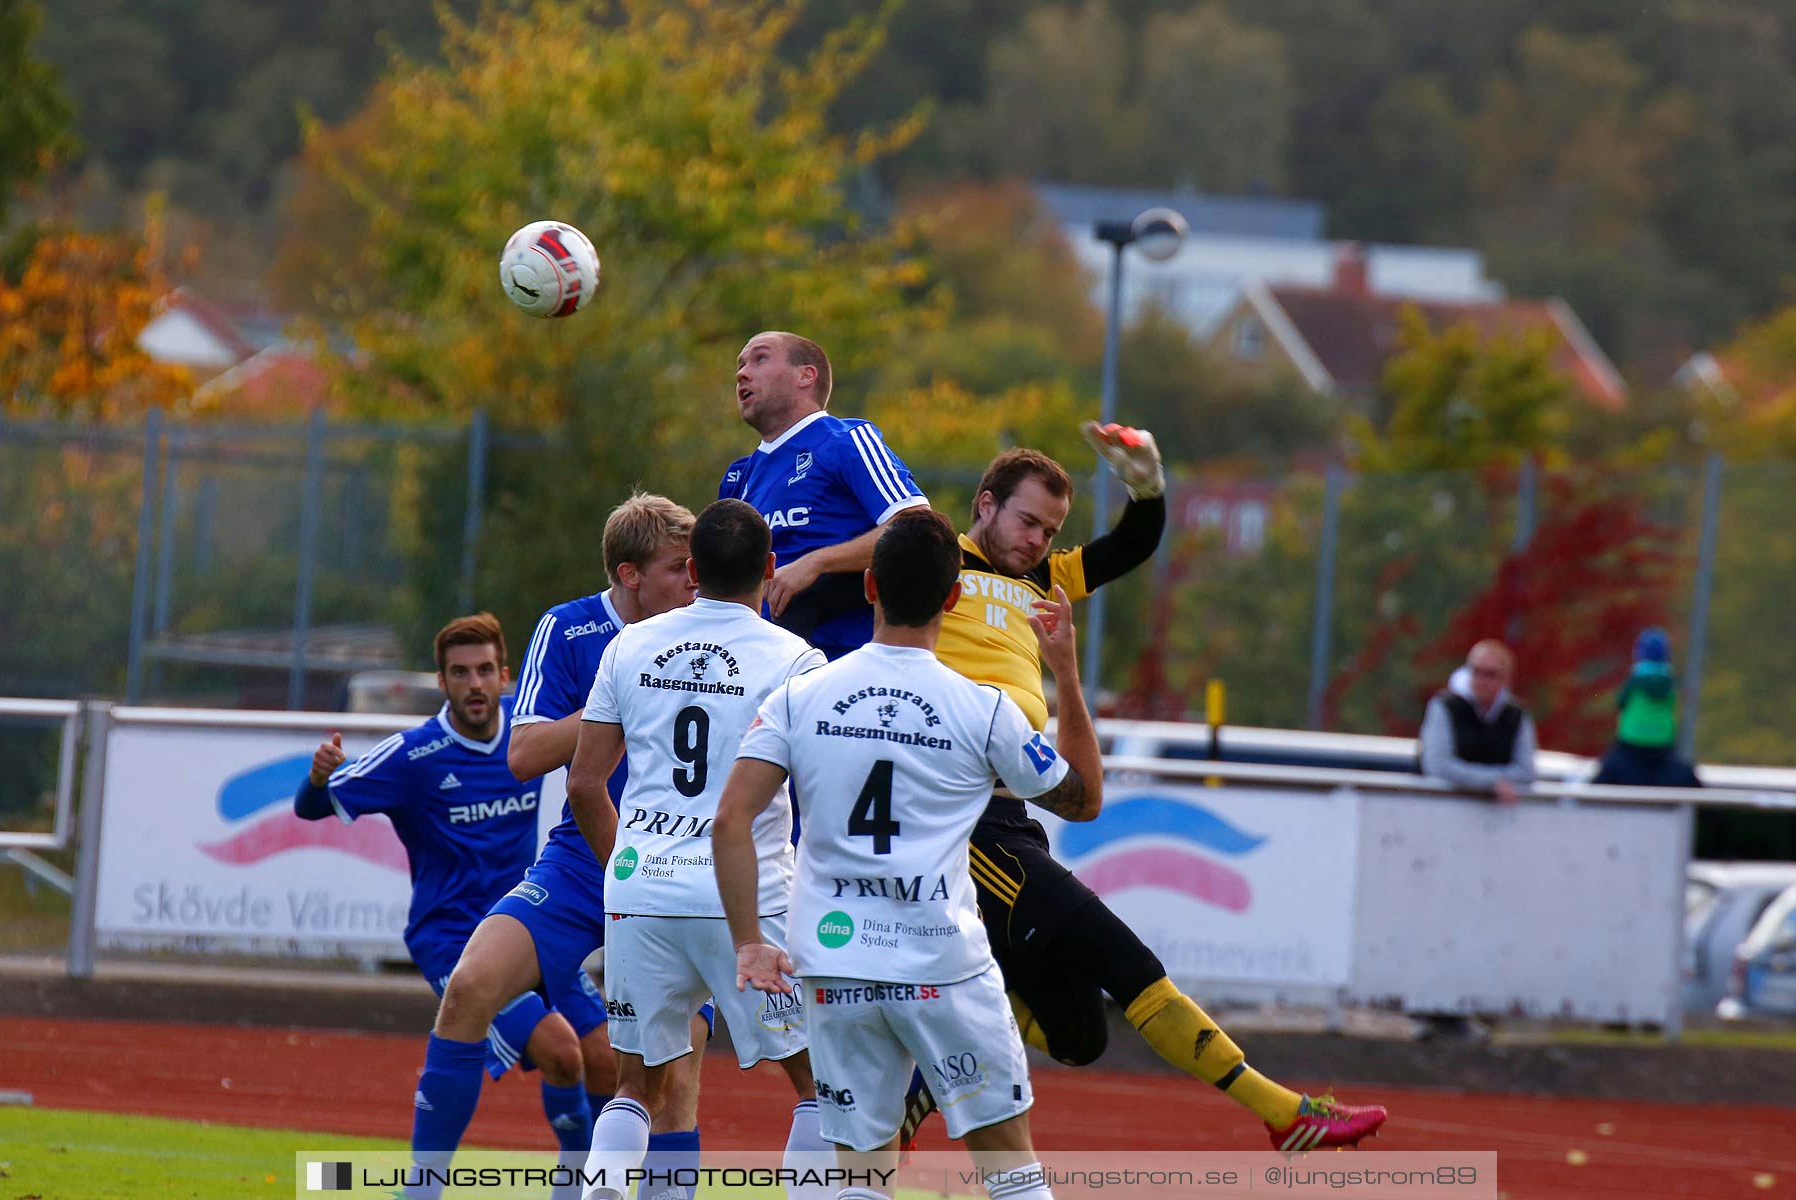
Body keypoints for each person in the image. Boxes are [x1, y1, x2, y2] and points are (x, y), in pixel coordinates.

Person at [912, 433, 1387, 1154]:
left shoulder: (1049, 580)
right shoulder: (938, 559)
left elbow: (1132, 544)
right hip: (962, 820)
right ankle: (1282, 1110)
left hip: (1016, 814)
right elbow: (872, 557)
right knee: (1122, 957)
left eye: (1051, 531)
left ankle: (925, 1064)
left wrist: (1149, 486)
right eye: (1027, 522)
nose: (1039, 541)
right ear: (985, 505)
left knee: (1078, 1036)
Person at [715, 508, 1103, 1200]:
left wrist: (749, 943)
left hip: (835, 963)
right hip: (942, 966)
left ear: (869, 585)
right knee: (1009, 1169)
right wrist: (1065, 675)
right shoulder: (981, 710)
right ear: (953, 599)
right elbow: (1082, 798)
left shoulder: (801, 696)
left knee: (862, 1171)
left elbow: (731, 821)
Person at [410, 494, 703, 1200]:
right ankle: (420, 1190)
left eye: (698, 567)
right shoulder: (569, 629)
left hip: (680, 867)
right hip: (581, 860)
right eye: (676, 568)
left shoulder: (713, 630)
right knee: (471, 985)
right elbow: (525, 752)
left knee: (674, 1075)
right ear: (631, 575)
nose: (693, 580)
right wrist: (618, 704)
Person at [569, 499, 832, 1200]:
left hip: (643, 887)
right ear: (770, 569)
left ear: (692, 570)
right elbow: (823, 797)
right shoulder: (799, 660)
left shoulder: (629, 644)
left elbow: (585, 783)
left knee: (632, 1084)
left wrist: (625, 868)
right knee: (818, 1082)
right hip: (745, 902)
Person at [294, 614, 592, 1200]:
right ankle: (422, 1190)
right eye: (460, 673)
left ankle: (588, 1187)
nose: (474, 684)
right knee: (562, 1049)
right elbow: (313, 809)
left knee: (598, 1058)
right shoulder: (412, 755)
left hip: (529, 927)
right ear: (442, 681)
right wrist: (316, 780)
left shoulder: (528, 742)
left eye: (485, 670)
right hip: (453, 937)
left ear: (506, 676)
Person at [719, 330, 929, 660]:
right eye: (740, 365)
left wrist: (816, 563)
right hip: (756, 664)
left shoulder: (846, 441)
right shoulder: (738, 477)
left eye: (760, 359)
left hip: (838, 664)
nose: (742, 373)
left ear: (806, 375)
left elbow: (919, 530)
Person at [1418, 639, 1538, 804]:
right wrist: (1490, 783)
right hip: (1442, 809)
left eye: (1490, 674)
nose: (1482, 681)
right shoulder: (1445, 706)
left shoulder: (1516, 715)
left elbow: (1526, 771)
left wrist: (1489, 781)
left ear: (1506, 679)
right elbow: (1437, 765)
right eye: (1476, 672)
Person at [1593, 627, 1700, 787]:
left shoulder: (1634, 682)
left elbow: (1620, 703)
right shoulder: (1671, 685)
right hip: (1663, 747)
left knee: (1602, 779)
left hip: (1630, 744)